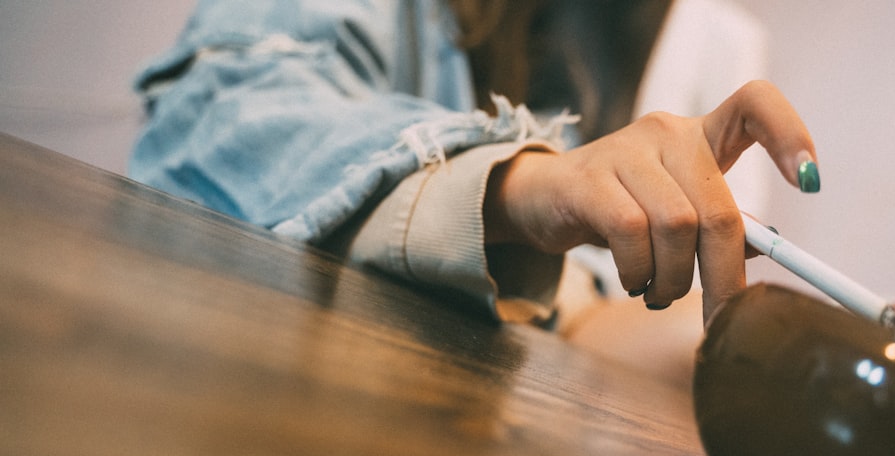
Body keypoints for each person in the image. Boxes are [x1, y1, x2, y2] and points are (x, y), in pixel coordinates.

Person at [130, 0, 819, 382]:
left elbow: (567, 312)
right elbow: (220, 110)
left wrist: (704, 345)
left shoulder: (707, 38)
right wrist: (524, 184)